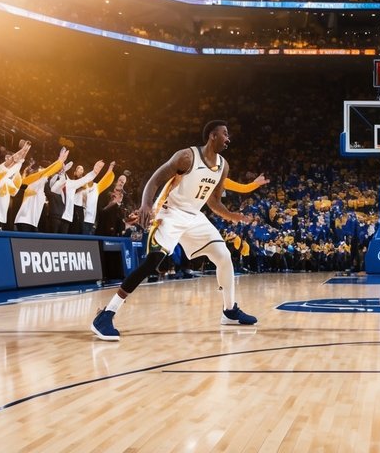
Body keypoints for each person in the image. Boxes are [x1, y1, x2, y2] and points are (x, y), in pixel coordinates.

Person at [91, 121, 259, 340]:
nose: (228, 139)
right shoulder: (187, 157)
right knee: (152, 262)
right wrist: (145, 205)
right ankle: (106, 314)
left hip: (195, 217)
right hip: (170, 213)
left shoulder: (223, 166)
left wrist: (232, 215)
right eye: (225, 134)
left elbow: (214, 202)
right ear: (212, 136)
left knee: (224, 256)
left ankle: (229, 311)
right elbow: (154, 180)